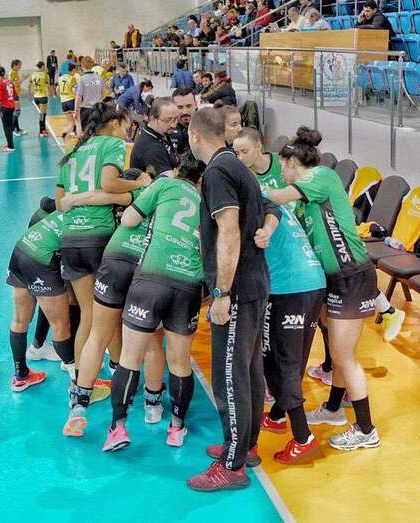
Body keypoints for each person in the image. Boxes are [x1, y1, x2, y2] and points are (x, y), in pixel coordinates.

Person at [267, 127, 381, 452]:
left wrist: (248, 189)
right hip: (334, 279)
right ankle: (333, 409)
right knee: (338, 352)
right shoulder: (306, 197)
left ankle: (366, 430)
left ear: (293, 162)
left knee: (345, 357)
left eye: (282, 167)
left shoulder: (322, 177)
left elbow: (277, 197)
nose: (281, 174)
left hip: (352, 276)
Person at [186, 107, 271, 492]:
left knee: (230, 376)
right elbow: (267, 209)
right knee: (249, 370)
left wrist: (221, 293)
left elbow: (229, 231)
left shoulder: (219, 171)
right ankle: (245, 446)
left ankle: (233, 465)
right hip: (254, 282)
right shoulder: (237, 166)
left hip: (237, 288)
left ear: (195, 136)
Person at [234, 128, 327, 464]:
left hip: (290, 288)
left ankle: (303, 438)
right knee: (291, 359)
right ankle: (276, 415)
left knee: (279, 364)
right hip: (312, 282)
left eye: (244, 152)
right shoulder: (269, 196)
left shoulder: (250, 203)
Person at [103, 154, 206, 452]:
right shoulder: (205, 201)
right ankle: (176, 427)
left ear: (176, 170)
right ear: (200, 180)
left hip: (151, 279)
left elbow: (130, 219)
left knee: (130, 358)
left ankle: (118, 428)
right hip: (188, 283)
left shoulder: (163, 185)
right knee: (179, 361)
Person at [61, 170, 166, 438]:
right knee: (152, 341)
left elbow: (100, 195)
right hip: (144, 264)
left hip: (115, 258)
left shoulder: (135, 194)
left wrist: (72, 200)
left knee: (98, 335)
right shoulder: (169, 198)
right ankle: (152, 405)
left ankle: (79, 405)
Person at [55, 103, 150, 391]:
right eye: (126, 127)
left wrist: (84, 198)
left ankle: (80, 382)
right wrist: (139, 184)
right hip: (99, 237)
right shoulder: (112, 145)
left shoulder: (73, 152)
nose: (127, 133)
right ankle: (120, 375)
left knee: (88, 314)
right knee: (110, 313)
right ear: (113, 124)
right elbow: (110, 183)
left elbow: (60, 203)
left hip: (70, 237)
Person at [6, 208, 82, 392]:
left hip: (22, 248)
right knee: (61, 326)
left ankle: (21, 376)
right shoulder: (96, 221)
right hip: (41, 260)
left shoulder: (69, 205)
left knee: (19, 319)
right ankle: (81, 384)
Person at [130, 97, 180, 175]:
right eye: (168, 120)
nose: (174, 125)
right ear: (153, 119)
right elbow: (167, 180)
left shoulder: (160, 132)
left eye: (176, 119)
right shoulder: (152, 148)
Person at [75, 56, 106, 133]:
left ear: (82, 66)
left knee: (86, 132)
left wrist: (76, 111)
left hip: (86, 109)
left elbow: (78, 97)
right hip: (98, 108)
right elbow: (103, 95)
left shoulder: (82, 79)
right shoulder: (99, 77)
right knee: (97, 131)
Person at [0, 66, 16, 152]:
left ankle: (10, 146)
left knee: (6, 127)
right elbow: (14, 93)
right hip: (12, 106)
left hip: (5, 107)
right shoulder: (9, 81)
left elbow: (0, 97)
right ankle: (10, 143)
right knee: (9, 126)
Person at [171, 87, 198, 155]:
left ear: (196, 105)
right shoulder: (166, 130)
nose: (185, 112)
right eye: (180, 107)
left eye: (189, 106)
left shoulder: (207, 128)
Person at [58, 63, 79, 139]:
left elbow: (57, 89)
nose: (75, 72)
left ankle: (64, 133)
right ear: (73, 70)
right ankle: (77, 134)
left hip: (63, 102)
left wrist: (60, 97)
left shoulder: (61, 78)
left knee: (71, 122)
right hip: (71, 100)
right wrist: (78, 98)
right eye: (75, 70)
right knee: (77, 120)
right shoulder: (72, 78)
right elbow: (74, 91)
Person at [30, 61, 50, 137]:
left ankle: (43, 129)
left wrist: (30, 94)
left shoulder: (33, 74)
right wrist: (52, 93)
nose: (45, 67)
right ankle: (41, 131)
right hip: (43, 96)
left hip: (36, 97)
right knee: (42, 115)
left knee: (42, 113)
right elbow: (47, 86)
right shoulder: (45, 74)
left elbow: (30, 85)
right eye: (44, 66)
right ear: (42, 66)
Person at [8, 59, 28, 136]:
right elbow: (15, 83)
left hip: (16, 93)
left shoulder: (16, 72)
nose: (20, 67)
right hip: (13, 94)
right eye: (19, 65)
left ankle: (17, 129)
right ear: (15, 65)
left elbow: (18, 84)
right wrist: (23, 79)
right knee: (16, 112)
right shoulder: (12, 73)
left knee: (16, 112)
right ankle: (13, 130)